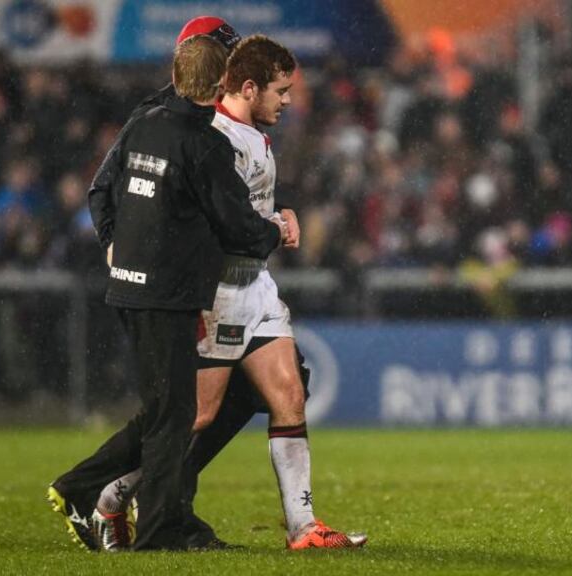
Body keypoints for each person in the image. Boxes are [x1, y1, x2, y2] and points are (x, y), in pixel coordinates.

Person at [92, 35, 367, 551]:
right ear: (247, 87)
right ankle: (112, 494)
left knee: (290, 394)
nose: (288, 101)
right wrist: (275, 230)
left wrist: (275, 219)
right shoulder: (212, 138)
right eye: (281, 91)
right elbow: (219, 222)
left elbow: (245, 208)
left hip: (256, 285)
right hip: (219, 291)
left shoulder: (252, 133)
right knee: (193, 416)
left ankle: (304, 529)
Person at [46, 34, 284, 551]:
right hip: (169, 290)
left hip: (130, 286)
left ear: (176, 77)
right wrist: (277, 232)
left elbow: (103, 189)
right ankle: (139, 518)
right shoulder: (205, 144)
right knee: (173, 415)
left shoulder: (145, 124)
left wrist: (113, 245)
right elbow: (237, 224)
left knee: (166, 411)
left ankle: (104, 497)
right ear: (222, 83)